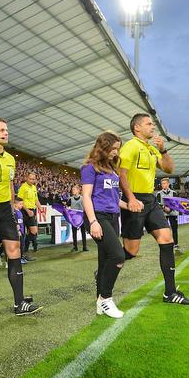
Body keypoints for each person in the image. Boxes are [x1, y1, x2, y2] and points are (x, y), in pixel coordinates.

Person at [118, 113, 189, 306]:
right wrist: (130, 199)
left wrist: (163, 150)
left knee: (167, 240)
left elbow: (169, 169)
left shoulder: (152, 149)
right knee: (131, 252)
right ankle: (106, 268)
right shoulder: (130, 146)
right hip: (133, 201)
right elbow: (122, 174)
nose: (153, 127)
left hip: (150, 200)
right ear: (137, 127)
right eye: (148, 124)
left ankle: (170, 292)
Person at [0, 118, 42, 315]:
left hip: (5, 211)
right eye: (1, 130)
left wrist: (12, 208)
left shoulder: (11, 159)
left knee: (14, 250)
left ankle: (19, 303)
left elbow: (10, 185)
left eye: (7, 130)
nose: (6, 133)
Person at [82, 131, 129, 318]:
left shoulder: (112, 170)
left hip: (112, 217)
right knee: (118, 256)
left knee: (105, 260)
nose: (116, 153)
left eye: (118, 149)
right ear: (103, 147)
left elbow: (115, 199)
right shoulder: (89, 168)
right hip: (97, 217)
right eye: (113, 148)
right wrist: (93, 221)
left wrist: (130, 205)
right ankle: (105, 298)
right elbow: (86, 196)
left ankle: (99, 302)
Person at [17, 172, 42, 254]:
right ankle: (23, 251)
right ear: (26, 178)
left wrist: (40, 208)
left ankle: (25, 249)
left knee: (34, 231)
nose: (32, 180)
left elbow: (36, 200)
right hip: (23, 211)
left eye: (33, 179)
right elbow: (19, 201)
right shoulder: (23, 187)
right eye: (30, 179)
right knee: (22, 232)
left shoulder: (34, 187)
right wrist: (27, 210)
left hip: (31, 211)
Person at [155, 178, 181, 253]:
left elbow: (176, 203)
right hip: (163, 214)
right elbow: (157, 203)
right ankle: (165, 244)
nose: (163, 185)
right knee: (164, 230)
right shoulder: (159, 194)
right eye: (162, 184)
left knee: (174, 229)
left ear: (168, 184)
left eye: (165, 183)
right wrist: (164, 208)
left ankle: (176, 244)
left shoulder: (174, 193)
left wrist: (170, 209)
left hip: (173, 213)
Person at [67, 184, 88, 252]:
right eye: (72, 189)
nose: (72, 191)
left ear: (78, 190)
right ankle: (75, 247)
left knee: (83, 232)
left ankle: (84, 247)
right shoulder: (70, 199)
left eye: (74, 189)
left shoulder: (82, 198)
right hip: (74, 219)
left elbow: (85, 207)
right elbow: (67, 207)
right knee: (74, 233)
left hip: (81, 218)